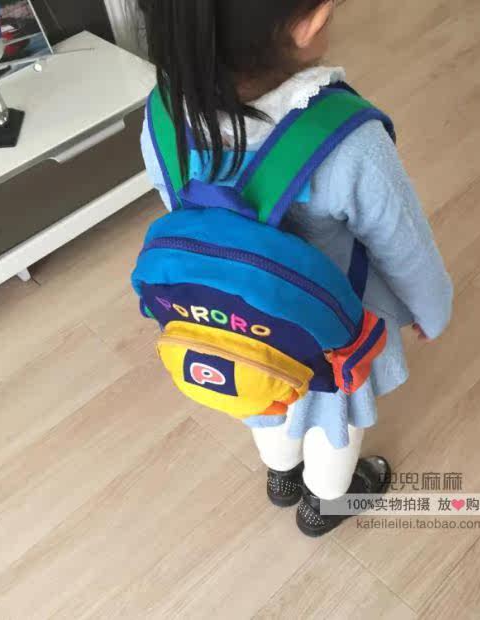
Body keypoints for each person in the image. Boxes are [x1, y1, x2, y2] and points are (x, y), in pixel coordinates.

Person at [137, 0, 453, 537]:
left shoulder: (161, 116)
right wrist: (432, 311)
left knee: (260, 395)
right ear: (312, 22)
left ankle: (282, 477)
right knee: (333, 422)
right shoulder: (347, 140)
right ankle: (324, 503)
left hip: (233, 324)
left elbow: (180, 207)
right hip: (331, 333)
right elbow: (403, 245)